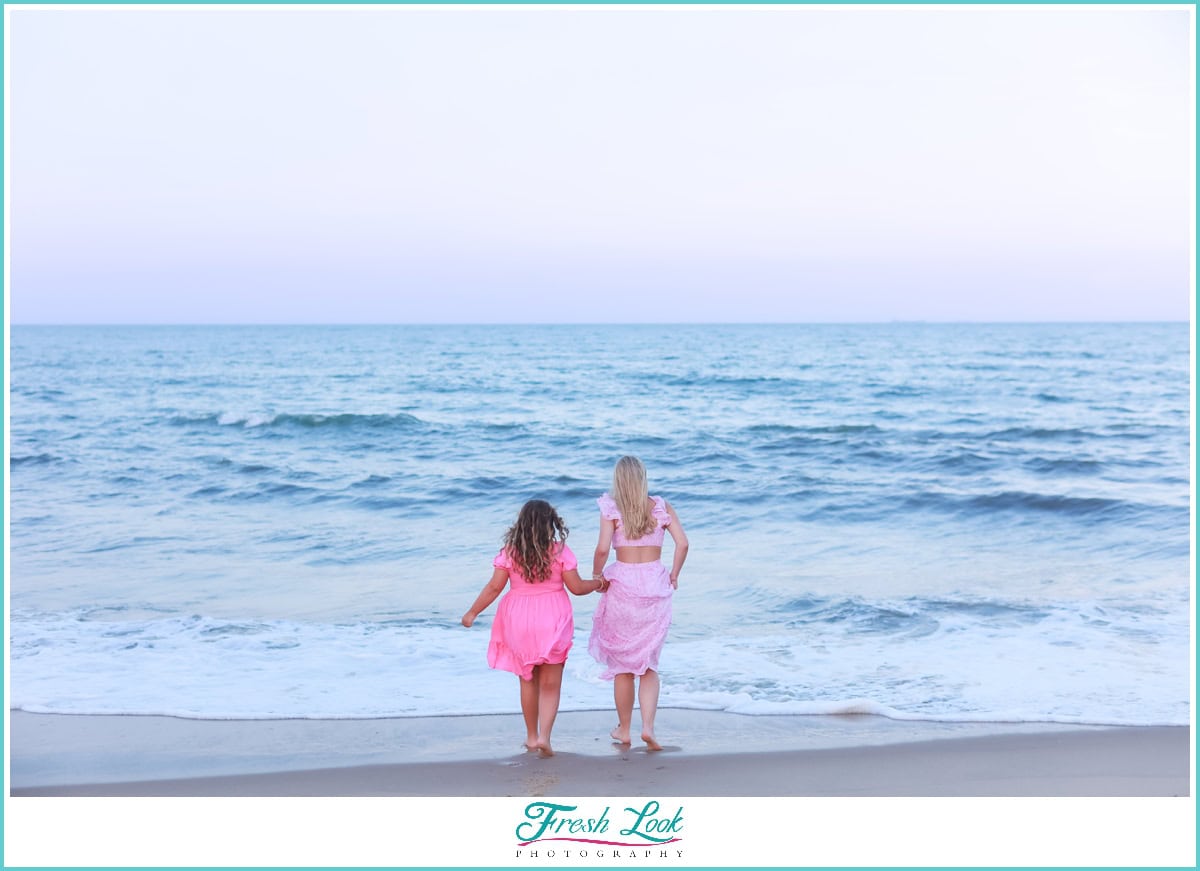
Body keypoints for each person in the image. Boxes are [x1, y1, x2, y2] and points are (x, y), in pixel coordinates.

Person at [462, 499, 603, 757]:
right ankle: (545, 737)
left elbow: (494, 587)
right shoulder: (560, 552)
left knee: (528, 680)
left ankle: (530, 737)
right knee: (551, 683)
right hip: (552, 617)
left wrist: (472, 612)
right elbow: (577, 588)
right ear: (551, 524)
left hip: (518, 619)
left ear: (521, 525)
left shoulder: (509, 552)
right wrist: (599, 584)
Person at [588, 456, 689, 751]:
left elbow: (603, 548)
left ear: (618, 480)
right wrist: (674, 574)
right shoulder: (660, 507)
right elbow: (683, 543)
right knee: (648, 664)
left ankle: (625, 730)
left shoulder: (612, 509)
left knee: (623, 666)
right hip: (655, 584)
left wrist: (596, 577)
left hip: (623, 585)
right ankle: (648, 727)